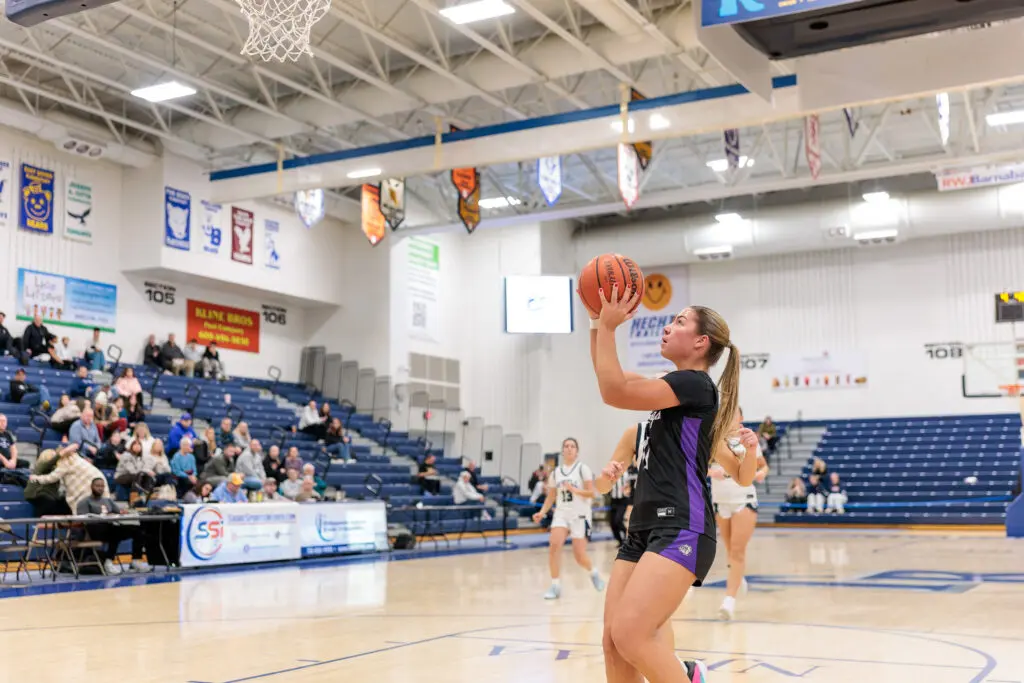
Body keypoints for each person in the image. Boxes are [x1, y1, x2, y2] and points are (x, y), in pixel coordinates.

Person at [586, 284, 756, 683]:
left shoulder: (696, 385)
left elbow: (613, 392)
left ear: (701, 341)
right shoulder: (672, 388)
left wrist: (610, 329)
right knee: (613, 644)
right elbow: (605, 374)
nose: (667, 326)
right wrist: (597, 321)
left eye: (678, 321)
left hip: (682, 524)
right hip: (642, 527)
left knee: (631, 635)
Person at [709, 407, 769, 620]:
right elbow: (701, 466)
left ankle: (729, 600)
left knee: (736, 550)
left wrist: (760, 473)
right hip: (720, 500)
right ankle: (738, 577)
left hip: (743, 498)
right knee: (728, 549)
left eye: (733, 411)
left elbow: (762, 466)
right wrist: (712, 472)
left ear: (741, 417)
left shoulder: (747, 437)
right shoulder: (713, 437)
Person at [531, 437, 604, 599]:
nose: (569, 448)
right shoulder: (556, 472)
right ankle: (555, 585)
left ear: (577, 451)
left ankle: (593, 572)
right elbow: (551, 497)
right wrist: (542, 512)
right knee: (554, 546)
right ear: (562, 451)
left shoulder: (582, 469)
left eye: (572, 446)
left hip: (580, 514)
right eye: (566, 446)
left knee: (579, 555)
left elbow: (592, 493)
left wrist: (574, 490)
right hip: (561, 514)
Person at [77, 477, 150, 574]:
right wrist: (101, 517)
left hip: (110, 527)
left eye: (102, 486)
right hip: (94, 531)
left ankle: (135, 560)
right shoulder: (84, 502)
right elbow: (83, 521)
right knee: (114, 532)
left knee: (138, 530)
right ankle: (108, 561)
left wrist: (125, 513)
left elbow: (120, 512)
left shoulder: (108, 500)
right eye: (97, 486)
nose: (100, 488)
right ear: (91, 487)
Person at [29, 443, 110, 513]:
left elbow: (51, 478)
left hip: (87, 491)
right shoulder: (78, 459)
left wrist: (36, 478)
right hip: (101, 483)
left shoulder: (64, 463)